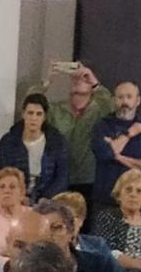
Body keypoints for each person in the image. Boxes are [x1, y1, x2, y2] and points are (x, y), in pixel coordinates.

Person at [27, 61, 113, 202]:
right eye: (74, 77)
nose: (77, 80)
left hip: (89, 179)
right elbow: (31, 104)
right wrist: (46, 81)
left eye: (83, 77)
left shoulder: (99, 111)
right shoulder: (56, 110)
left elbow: (113, 107)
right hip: (58, 178)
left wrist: (95, 83)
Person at [91, 81, 141, 207]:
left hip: (136, 201)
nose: (125, 101)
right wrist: (129, 134)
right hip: (105, 199)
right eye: (120, 97)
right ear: (114, 100)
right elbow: (103, 153)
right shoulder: (102, 126)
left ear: (138, 101)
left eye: (129, 97)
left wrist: (118, 156)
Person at [0, 94, 69, 203]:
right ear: (23, 114)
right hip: (15, 198)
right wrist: (18, 197)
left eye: (39, 114)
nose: (34, 118)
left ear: (44, 117)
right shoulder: (8, 141)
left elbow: (62, 178)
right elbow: (3, 174)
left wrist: (45, 199)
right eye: (30, 113)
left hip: (47, 199)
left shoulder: (56, 142)